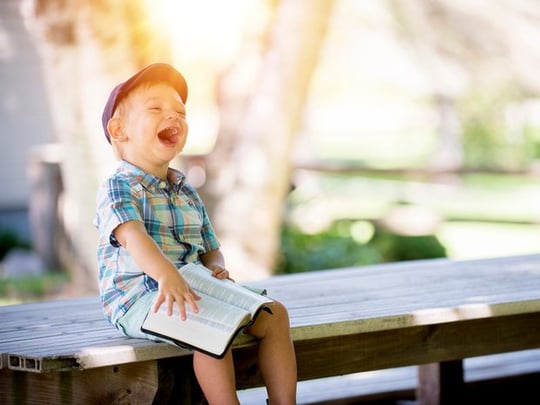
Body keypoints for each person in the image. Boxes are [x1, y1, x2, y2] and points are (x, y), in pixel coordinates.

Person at [94, 63, 297, 404]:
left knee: (275, 315)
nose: (172, 116)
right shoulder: (119, 186)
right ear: (119, 130)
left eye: (180, 112)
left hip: (192, 285)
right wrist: (166, 274)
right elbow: (133, 237)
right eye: (156, 108)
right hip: (140, 297)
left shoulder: (184, 188)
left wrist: (216, 265)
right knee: (210, 328)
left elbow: (209, 246)